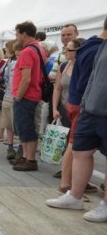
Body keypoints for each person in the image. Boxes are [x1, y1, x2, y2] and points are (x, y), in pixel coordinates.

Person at [46, 16, 107, 222]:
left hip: (94, 108)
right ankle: (75, 196)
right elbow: (91, 78)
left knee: (81, 150)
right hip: (89, 109)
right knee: (81, 150)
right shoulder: (96, 47)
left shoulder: (92, 47)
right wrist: (85, 103)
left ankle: (104, 204)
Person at [11, 21, 47, 171]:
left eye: (17, 33)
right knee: (24, 128)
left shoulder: (27, 51)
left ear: (24, 34)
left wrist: (18, 96)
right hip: (32, 94)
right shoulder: (39, 48)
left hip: (26, 96)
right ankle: (26, 157)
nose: (16, 36)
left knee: (26, 128)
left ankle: (30, 159)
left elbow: (26, 78)